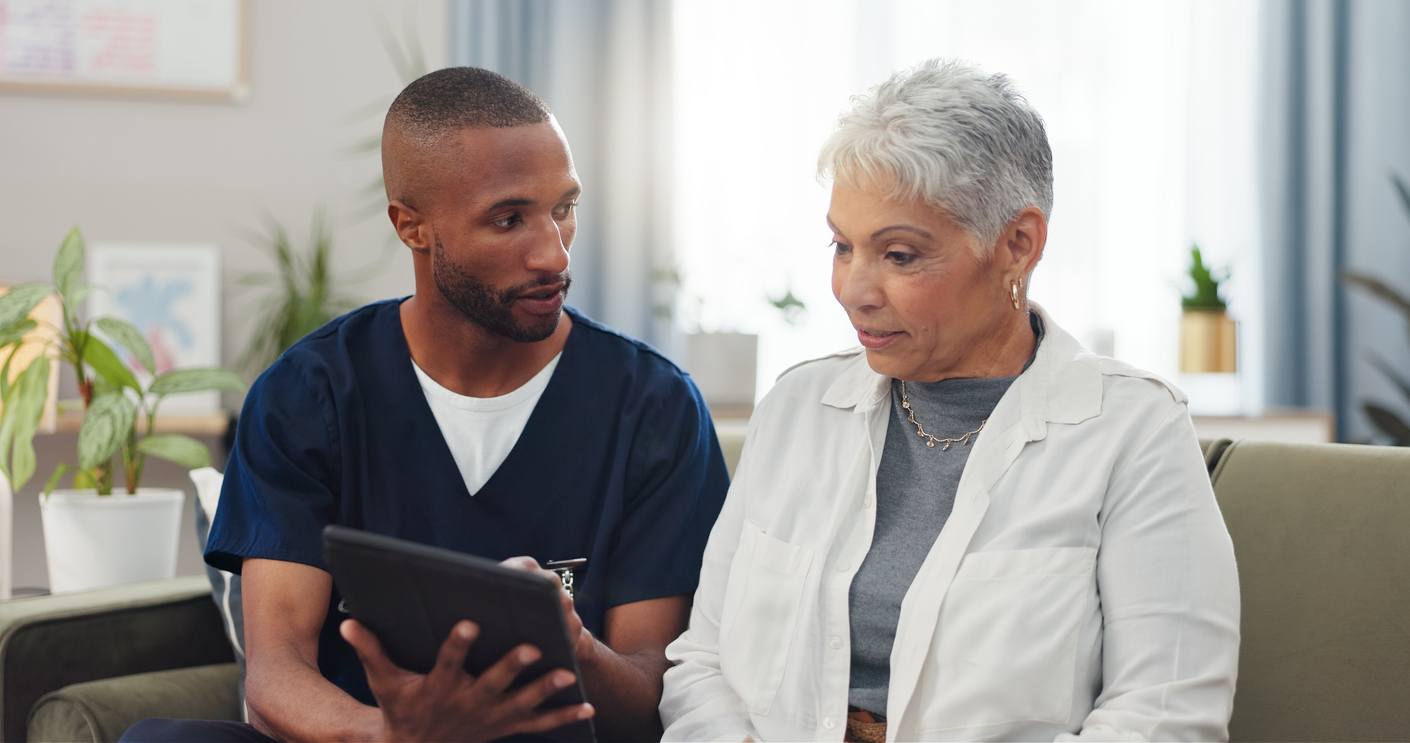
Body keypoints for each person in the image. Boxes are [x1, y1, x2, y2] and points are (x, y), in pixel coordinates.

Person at [123, 67, 729, 743]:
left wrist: (576, 646)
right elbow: (274, 678)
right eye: (509, 218)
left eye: (564, 207)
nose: (552, 254)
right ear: (412, 227)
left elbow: (654, 700)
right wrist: (391, 735)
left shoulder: (655, 409)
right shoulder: (307, 395)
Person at [658, 59, 1240, 742]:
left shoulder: (1131, 429)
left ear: (1017, 245)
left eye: (900, 255)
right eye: (843, 245)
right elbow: (703, 665)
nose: (854, 288)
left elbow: (1165, 713)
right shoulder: (797, 406)